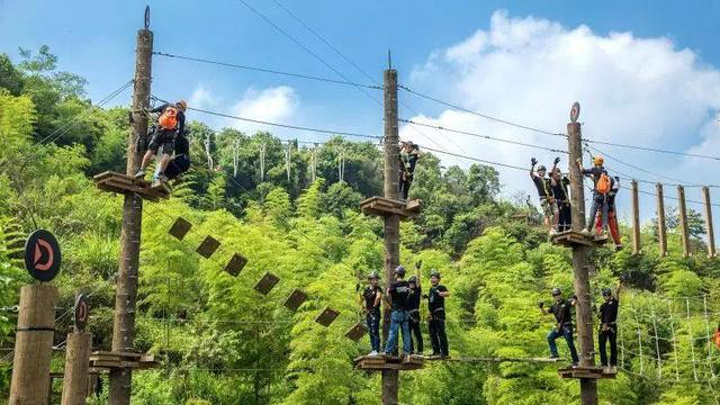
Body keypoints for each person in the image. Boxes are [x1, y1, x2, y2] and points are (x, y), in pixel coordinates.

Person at [135, 100, 188, 183]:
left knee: (150, 151)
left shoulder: (167, 105)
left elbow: (152, 111)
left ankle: (142, 170)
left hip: (159, 131)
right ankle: (160, 174)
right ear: (183, 108)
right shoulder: (181, 114)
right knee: (167, 155)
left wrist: (145, 109)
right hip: (170, 135)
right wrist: (177, 136)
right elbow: (181, 131)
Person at [540, 287, 579, 365]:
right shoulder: (554, 306)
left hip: (567, 326)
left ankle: (576, 361)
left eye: (558, 294)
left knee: (570, 343)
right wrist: (541, 308)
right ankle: (554, 354)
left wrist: (575, 299)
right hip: (559, 327)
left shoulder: (566, 302)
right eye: (555, 295)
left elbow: (573, 303)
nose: (557, 296)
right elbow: (545, 313)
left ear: (560, 294)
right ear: (553, 297)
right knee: (550, 337)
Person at [578, 156, 610, 235]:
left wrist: (579, 163)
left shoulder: (595, 169)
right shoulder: (604, 172)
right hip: (604, 196)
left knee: (593, 212)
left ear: (595, 163)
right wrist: (590, 177)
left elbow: (583, 171)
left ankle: (588, 229)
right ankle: (605, 229)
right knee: (604, 212)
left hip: (597, 196)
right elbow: (598, 181)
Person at [384, 266, 412, 357]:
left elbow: (388, 294)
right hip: (405, 312)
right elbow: (409, 293)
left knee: (393, 332)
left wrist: (391, 304)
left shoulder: (394, 285)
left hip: (397, 311)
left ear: (397, 274)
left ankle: (388, 352)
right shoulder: (407, 284)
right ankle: (406, 352)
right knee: (406, 333)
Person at [598, 280, 623, 372]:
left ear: (610, 295)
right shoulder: (602, 306)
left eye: (608, 295)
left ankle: (613, 364)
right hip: (603, 326)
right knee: (601, 345)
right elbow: (600, 316)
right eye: (605, 295)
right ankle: (604, 363)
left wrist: (620, 283)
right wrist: (596, 313)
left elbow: (617, 292)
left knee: (613, 345)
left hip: (611, 325)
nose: (606, 296)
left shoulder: (614, 302)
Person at [530, 158, 559, 234]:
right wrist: (533, 166)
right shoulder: (537, 179)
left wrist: (555, 164)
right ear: (538, 172)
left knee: (556, 212)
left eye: (543, 171)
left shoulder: (547, 180)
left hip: (551, 198)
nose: (542, 172)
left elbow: (554, 184)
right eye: (540, 171)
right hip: (544, 199)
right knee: (547, 215)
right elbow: (531, 174)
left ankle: (554, 228)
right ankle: (550, 230)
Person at [426, 270, 450, 358]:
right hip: (432, 314)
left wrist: (440, 293)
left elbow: (448, 293)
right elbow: (431, 301)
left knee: (441, 333)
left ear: (438, 279)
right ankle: (436, 351)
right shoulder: (431, 289)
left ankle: (445, 352)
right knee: (432, 333)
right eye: (432, 278)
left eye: (435, 278)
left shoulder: (441, 287)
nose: (433, 280)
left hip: (439, 313)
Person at [596, 176, 622, 250]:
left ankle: (601, 235)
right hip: (608, 209)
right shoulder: (613, 187)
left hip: (606, 209)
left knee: (600, 222)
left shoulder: (612, 188)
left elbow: (607, 194)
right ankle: (618, 243)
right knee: (612, 227)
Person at [362, 271, 383, 356]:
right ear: (370, 280)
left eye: (376, 279)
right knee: (370, 331)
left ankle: (376, 350)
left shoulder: (378, 289)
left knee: (375, 330)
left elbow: (378, 297)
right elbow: (362, 299)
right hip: (368, 313)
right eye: (374, 279)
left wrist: (374, 307)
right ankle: (373, 349)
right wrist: (358, 291)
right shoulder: (367, 290)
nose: (375, 281)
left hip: (375, 312)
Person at [551, 161, 571, 232]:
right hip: (559, 202)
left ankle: (568, 229)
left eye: (559, 173)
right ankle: (560, 231)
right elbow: (550, 173)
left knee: (569, 218)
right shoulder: (553, 182)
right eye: (556, 173)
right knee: (561, 219)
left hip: (567, 202)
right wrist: (555, 165)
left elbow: (570, 180)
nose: (558, 175)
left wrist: (570, 170)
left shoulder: (563, 181)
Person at [407, 275, 423, 355]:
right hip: (408, 315)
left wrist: (418, 269)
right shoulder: (407, 293)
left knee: (417, 332)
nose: (412, 284)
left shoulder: (417, 292)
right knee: (408, 333)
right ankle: (411, 350)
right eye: (410, 283)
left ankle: (420, 350)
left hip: (415, 314)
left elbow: (419, 283)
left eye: (413, 283)